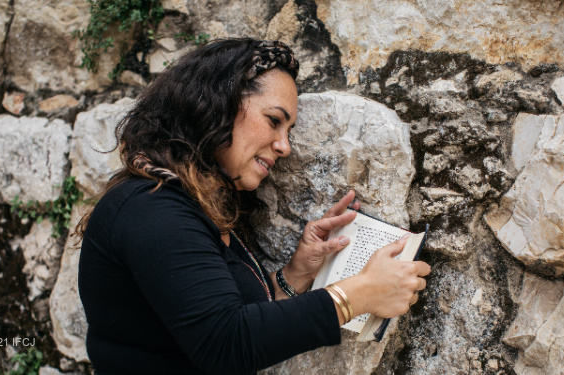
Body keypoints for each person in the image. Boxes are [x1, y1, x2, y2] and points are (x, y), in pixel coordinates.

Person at [77, 38, 431, 375]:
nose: (284, 146)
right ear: (217, 105)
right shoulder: (152, 208)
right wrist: (359, 293)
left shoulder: (196, 204)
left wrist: (295, 275)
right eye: (274, 121)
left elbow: (219, 316)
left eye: (289, 130)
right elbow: (226, 343)